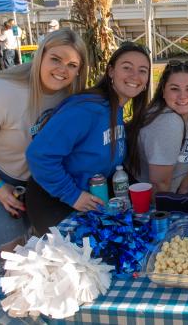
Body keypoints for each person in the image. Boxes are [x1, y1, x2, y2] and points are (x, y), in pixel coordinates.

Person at [0, 29, 87, 273]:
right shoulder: (0, 93)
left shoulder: (68, 96)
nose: (62, 69)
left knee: (36, 244)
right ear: (40, 57)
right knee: (11, 253)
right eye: (55, 59)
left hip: (28, 178)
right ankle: (4, 308)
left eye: (72, 64)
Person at [26, 43, 150, 235]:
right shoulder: (86, 108)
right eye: (127, 67)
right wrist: (73, 196)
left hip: (89, 199)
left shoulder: (116, 109)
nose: (135, 76)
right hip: (56, 199)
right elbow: (39, 155)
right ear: (110, 71)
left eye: (142, 71)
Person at [136, 60, 188, 194]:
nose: (182, 96)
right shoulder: (168, 122)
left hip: (175, 192)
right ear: (163, 91)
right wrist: (172, 211)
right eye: (174, 89)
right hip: (150, 199)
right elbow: (159, 184)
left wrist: (184, 193)